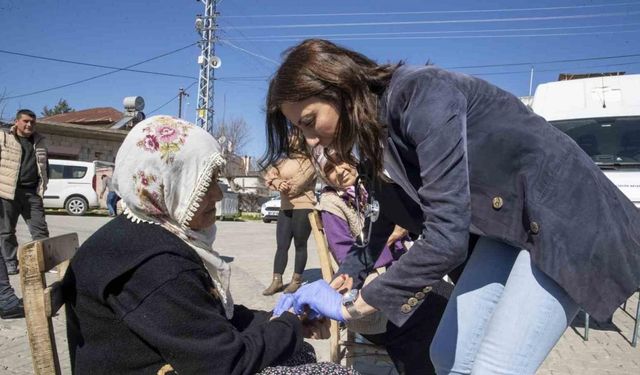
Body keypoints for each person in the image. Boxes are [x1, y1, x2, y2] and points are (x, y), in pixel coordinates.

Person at [263, 39, 640, 375]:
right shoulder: (372, 138)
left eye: (311, 122)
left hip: (565, 219)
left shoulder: (420, 95)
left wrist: (357, 305)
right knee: (447, 355)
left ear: (339, 86)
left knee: (494, 367)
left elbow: (446, 236)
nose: (313, 139)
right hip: (509, 229)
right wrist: (349, 274)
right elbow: (388, 216)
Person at [62, 115, 358, 375]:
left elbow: (206, 315)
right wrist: (290, 323)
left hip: (181, 360)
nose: (218, 195)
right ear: (167, 183)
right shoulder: (155, 264)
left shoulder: (146, 231)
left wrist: (281, 320)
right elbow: (226, 364)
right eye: (204, 185)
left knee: (296, 350)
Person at [313, 147, 453, 375]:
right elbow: (349, 256)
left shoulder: (370, 189)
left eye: (342, 160)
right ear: (323, 176)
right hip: (369, 292)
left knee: (446, 295)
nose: (340, 170)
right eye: (329, 169)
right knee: (426, 312)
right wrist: (390, 237)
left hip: (399, 277)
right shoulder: (331, 204)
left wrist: (402, 230)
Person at [0, 109, 51, 319]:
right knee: (5, 232)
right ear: (17, 121)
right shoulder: (5, 137)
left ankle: (45, 263)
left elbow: (44, 166)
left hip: (31, 193)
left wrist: (43, 185)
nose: (29, 125)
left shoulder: (40, 141)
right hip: (8, 191)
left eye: (33, 122)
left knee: (40, 229)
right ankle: (11, 264)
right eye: (26, 122)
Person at [262, 141, 316, 295]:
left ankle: (296, 281)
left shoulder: (310, 161)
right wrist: (277, 182)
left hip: (304, 206)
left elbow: (296, 186)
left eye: (295, 134)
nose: (291, 137)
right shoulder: (282, 161)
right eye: (290, 134)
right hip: (285, 207)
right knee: (281, 245)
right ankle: (276, 281)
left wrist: (280, 184)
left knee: (300, 245)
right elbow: (268, 178)